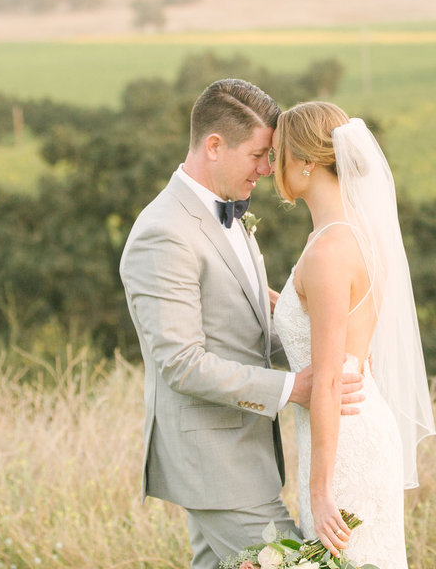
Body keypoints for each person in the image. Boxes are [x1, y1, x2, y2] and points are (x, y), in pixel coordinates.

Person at [120, 79, 364, 569]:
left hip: (244, 452)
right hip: (215, 461)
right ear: (214, 145)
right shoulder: (163, 233)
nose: (267, 169)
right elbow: (181, 364)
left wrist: (318, 335)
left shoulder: (228, 215)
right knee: (301, 563)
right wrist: (292, 387)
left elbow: (247, 323)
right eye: (258, 154)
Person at [272, 101, 436, 568]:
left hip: (343, 446)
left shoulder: (328, 251)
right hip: (350, 427)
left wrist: (321, 491)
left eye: (278, 153)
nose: (271, 166)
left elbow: (325, 380)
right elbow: (314, 317)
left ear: (305, 163)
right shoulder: (351, 233)